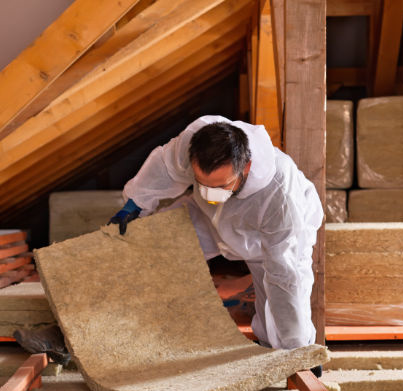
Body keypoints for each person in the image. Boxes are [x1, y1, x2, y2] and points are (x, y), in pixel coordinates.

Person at [109, 115, 323, 351]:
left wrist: (297, 351)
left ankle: (291, 347)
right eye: (203, 183)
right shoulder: (191, 144)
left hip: (265, 239)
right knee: (149, 244)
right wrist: (135, 204)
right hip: (207, 217)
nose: (211, 193)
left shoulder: (280, 194)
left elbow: (286, 277)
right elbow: (164, 168)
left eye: (221, 186)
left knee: (276, 309)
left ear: (247, 167)